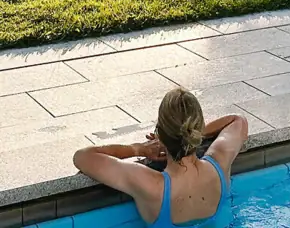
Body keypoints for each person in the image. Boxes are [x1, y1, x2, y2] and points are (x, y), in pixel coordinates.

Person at [73, 87, 248, 228]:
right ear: (198, 128)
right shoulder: (219, 163)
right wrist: (193, 133)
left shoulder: (150, 185)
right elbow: (238, 120)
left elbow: (82, 157)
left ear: (161, 134)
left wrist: (138, 149)